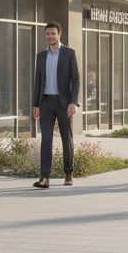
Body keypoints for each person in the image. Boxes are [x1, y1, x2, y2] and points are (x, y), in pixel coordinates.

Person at [33, 22, 80, 189]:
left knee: (66, 139)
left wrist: (73, 102)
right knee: (46, 139)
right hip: (45, 103)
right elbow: (38, 81)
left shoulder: (69, 53)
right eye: (47, 34)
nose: (50, 36)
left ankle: (68, 172)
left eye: (53, 33)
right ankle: (44, 177)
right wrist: (35, 104)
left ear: (59, 34)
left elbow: (75, 80)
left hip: (64, 104)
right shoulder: (41, 56)